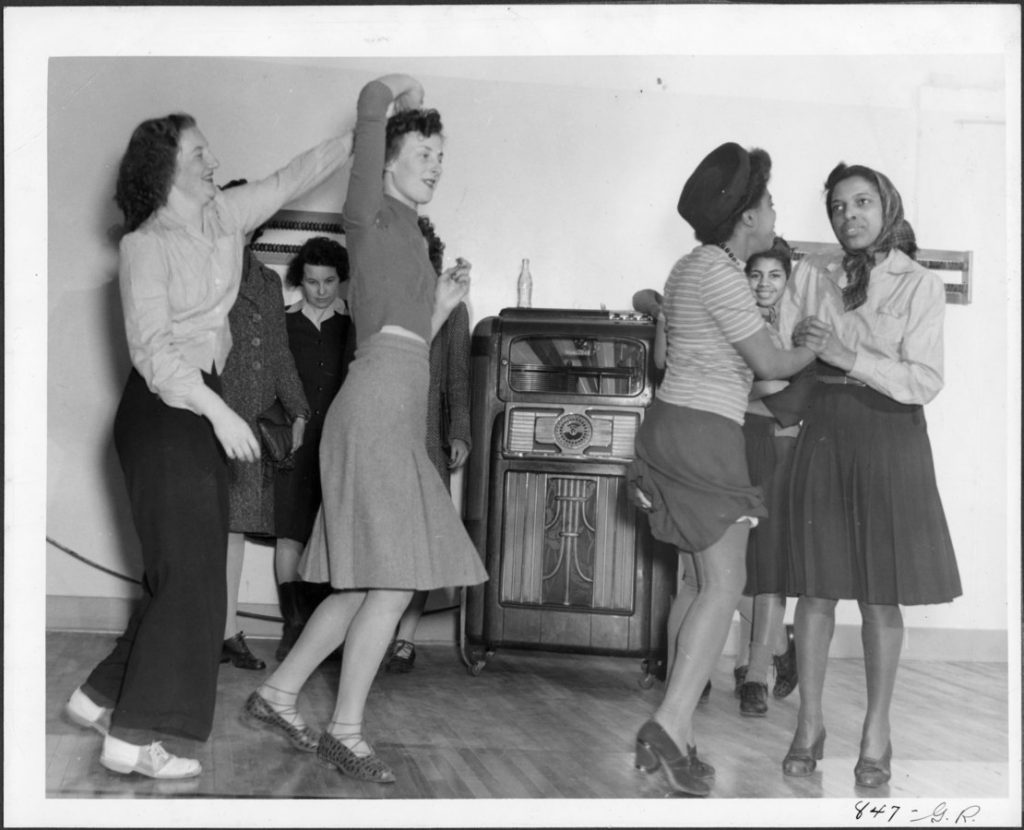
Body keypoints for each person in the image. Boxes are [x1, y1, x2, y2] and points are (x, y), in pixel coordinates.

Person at [62, 112, 352, 779]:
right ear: (164, 170)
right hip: (166, 410)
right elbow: (156, 356)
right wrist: (222, 415)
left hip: (200, 407)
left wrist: (360, 134)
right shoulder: (144, 245)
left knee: (179, 573)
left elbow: (290, 176)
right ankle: (135, 739)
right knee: (193, 582)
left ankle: (101, 696)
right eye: (198, 153)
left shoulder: (222, 216)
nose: (212, 160)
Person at [243, 74, 488, 785]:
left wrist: (441, 304)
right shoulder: (370, 209)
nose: (436, 164)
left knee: (361, 582)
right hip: (377, 404)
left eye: (442, 155)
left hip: (389, 401)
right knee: (391, 581)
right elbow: (368, 115)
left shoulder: (410, 233)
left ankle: (279, 693)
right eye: (424, 151)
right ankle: (344, 731)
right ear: (388, 159)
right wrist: (388, 91)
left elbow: (405, 334)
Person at [627, 142, 818, 796]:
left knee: (703, 583)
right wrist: (809, 347)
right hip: (707, 434)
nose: (772, 212)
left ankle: (678, 735)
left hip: (669, 428)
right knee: (723, 583)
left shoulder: (689, 266)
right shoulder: (725, 275)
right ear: (744, 217)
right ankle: (670, 723)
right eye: (766, 202)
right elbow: (769, 363)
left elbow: (679, 352)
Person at [778, 163, 961, 787]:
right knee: (816, 590)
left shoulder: (919, 286)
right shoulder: (811, 274)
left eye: (861, 203)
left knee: (881, 594)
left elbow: (925, 381)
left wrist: (847, 353)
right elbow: (783, 353)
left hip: (889, 436)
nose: (848, 215)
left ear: (887, 207)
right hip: (825, 431)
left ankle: (877, 731)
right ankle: (808, 724)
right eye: (837, 207)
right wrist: (800, 343)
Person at [219, 182, 310, 671]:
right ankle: (202, 633)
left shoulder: (267, 282)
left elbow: (278, 354)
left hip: (248, 424)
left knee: (231, 531)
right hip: (204, 413)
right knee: (201, 532)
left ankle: (225, 632)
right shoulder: (198, 269)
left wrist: (298, 411)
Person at [385, 215, 472, 673]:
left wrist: (458, 432)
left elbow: (458, 376)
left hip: (427, 440)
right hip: (383, 431)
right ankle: (372, 631)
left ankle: (404, 639)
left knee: (420, 541)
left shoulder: (454, 310)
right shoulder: (382, 301)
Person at [731, 237, 808, 716]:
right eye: (755, 275)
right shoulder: (734, 321)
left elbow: (798, 395)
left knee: (770, 560)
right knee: (737, 559)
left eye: (774, 276)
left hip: (782, 446)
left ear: (788, 280)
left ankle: (755, 672)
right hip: (737, 443)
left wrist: (748, 400)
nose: (764, 284)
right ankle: (779, 646)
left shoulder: (803, 327)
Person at [273, 235, 353, 661]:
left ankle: (327, 634)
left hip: (340, 445)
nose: (320, 291)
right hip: (295, 444)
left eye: (328, 281)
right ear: (298, 280)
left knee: (334, 535)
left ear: (341, 280)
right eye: (311, 282)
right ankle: (295, 626)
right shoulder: (283, 323)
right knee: (290, 535)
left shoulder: (354, 326)